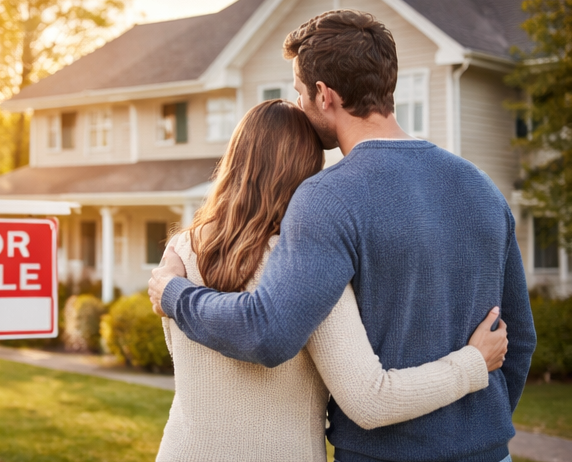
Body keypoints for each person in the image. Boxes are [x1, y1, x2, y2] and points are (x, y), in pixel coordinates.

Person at [149, 9, 536, 462]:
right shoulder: (483, 188)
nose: (298, 107)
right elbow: (520, 338)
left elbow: (269, 332)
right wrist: (478, 431)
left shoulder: (327, 199)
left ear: (323, 94)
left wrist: (174, 294)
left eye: (298, 93)